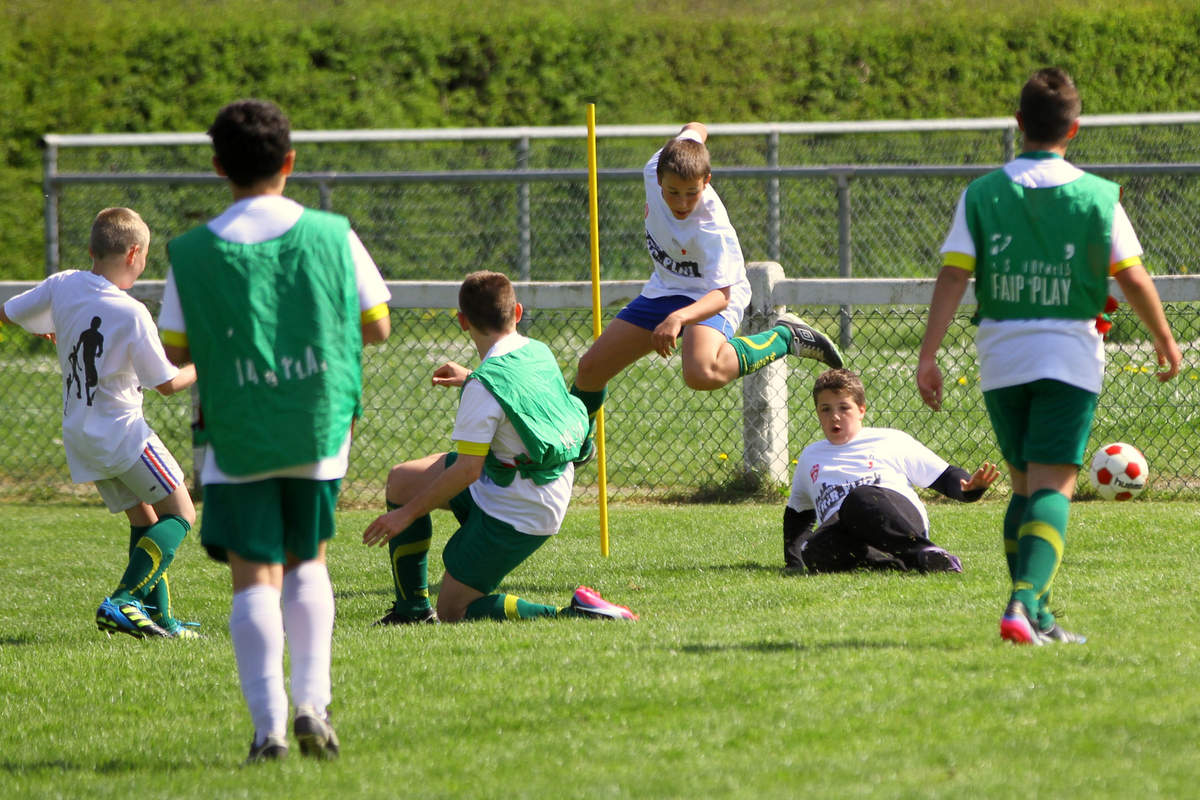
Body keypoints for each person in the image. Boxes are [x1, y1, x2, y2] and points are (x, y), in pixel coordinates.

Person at [157, 99, 392, 763]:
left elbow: (175, 351)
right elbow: (378, 326)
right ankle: (313, 702)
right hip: (317, 423)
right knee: (308, 560)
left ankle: (269, 732)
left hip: (236, 428)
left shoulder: (192, 251)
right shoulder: (333, 233)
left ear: (217, 167)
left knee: (253, 576)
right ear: (289, 162)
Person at [917, 68, 1182, 645]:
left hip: (1001, 356)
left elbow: (953, 274)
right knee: (1054, 489)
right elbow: (1131, 277)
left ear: (1018, 125)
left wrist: (929, 354)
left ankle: (1037, 617)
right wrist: (1164, 338)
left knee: (1022, 487)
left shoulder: (982, 193)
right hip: (1067, 356)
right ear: (1075, 129)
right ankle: (1021, 602)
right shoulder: (1096, 196)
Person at [362, 270, 637, 624]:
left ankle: (573, 613)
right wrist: (471, 378)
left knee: (454, 612)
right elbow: (514, 395)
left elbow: (467, 470)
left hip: (520, 507)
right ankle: (411, 612)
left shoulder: (484, 387)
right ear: (517, 312)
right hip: (526, 480)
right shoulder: (537, 350)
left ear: (462, 321)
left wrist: (406, 514)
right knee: (402, 479)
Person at [569, 122, 842, 459]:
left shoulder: (713, 229)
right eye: (673, 192)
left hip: (712, 295)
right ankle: (576, 442)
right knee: (590, 370)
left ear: (706, 181)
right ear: (658, 179)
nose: (682, 202)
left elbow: (722, 296)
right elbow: (695, 129)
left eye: (692, 192)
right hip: (665, 290)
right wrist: (694, 132)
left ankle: (786, 337)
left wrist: (678, 319)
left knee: (702, 373)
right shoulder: (657, 165)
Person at [1, 207, 198, 640]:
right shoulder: (130, 312)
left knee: (145, 521)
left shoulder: (64, 284)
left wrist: (43, 329)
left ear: (92, 250)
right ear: (134, 254)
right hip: (122, 433)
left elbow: (8, 314)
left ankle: (158, 619)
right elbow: (166, 383)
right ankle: (123, 601)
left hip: (80, 433)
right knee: (181, 513)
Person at [784, 368, 999, 574]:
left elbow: (944, 475)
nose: (835, 416)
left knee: (859, 499)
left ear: (861, 410)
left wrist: (968, 489)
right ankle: (897, 561)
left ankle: (924, 551)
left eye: (844, 407)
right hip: (845, 530)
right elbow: (798, 513)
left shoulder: (889, 440)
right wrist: (795, 562)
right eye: (826, 409)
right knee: (813, 550)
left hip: (895, 518)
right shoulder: (810, 456)